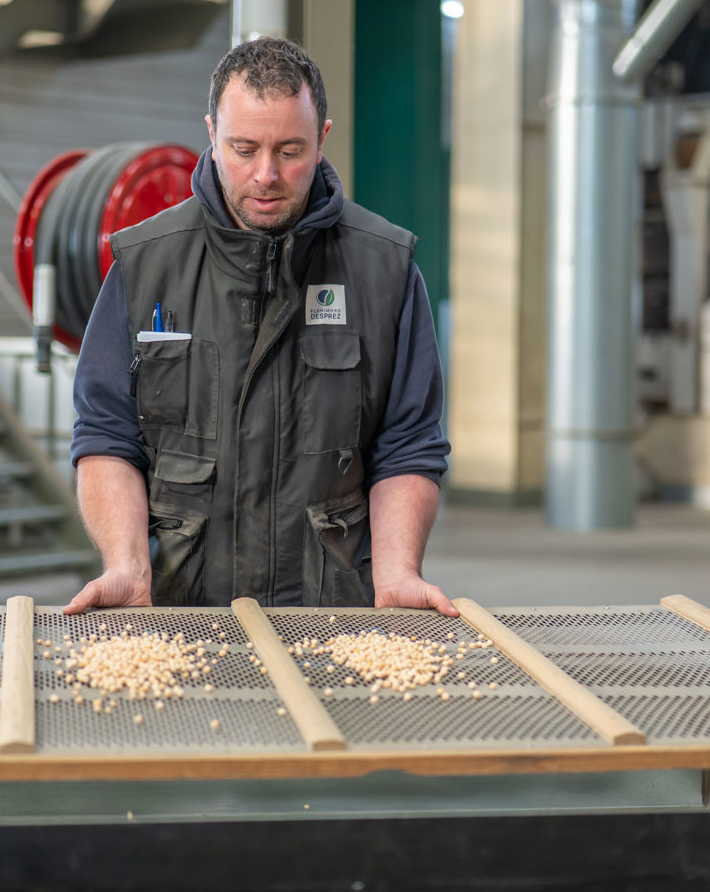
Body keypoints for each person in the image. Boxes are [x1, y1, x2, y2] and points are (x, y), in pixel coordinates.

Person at [63, 37, 454, 617]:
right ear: (212, 134)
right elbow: (106, 434)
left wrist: (397, 572)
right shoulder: (146, 265)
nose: (266, 175)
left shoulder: (385, 270)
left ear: (322, 139)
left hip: (332, 614)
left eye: (290, 151)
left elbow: (407, 444)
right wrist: (125, 565)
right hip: (180, 611)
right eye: (243, 149)